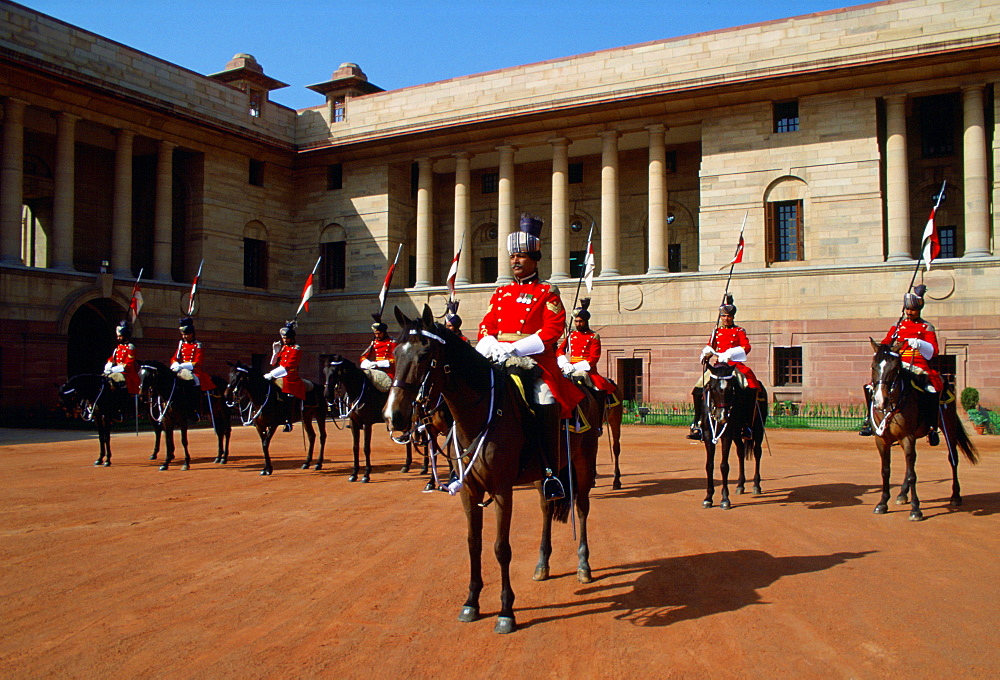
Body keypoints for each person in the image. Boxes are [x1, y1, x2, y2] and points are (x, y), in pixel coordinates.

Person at [476, 213, 584, 500]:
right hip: (498, 359)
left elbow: (553, 329)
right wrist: (490, 342)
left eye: (521, 257)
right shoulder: (501, 292)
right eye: (513, 257)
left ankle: (550, 474)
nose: (515, 262)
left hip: (535, 362)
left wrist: (517, 348)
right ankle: (462, 462)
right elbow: (487, 324)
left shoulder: (547, 291)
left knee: (546, 398)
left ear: (535, 259)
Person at [859, 284, 942, 443]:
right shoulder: (898, 326)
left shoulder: (926, 327)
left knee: (930, 390)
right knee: (871, 387)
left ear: (919, 310)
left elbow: (934, 351)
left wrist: (919, 343)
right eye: (907, 309)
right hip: (898, 365)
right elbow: (885, 342)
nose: (910, 312)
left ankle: (931, 426)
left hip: (918, 365)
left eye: (913, 310)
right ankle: (870, 421)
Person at [687, 295, 762, 441]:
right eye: (723, 316)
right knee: (697, 389)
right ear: (720, 317)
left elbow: (746, 346)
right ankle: (698, 423)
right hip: (718, 366)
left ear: (733, 317)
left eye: (729, 316)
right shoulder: (716, 331)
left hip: (733, 365)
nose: (726, 319)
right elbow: (711, 346)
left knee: (748, 387)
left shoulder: (739, 331)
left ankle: (746, 425)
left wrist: (731, 353)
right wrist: (706, 354)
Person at [557, 298, 617, 396]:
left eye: (580, 321)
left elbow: (594, 358)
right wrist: (565, 363)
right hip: (569, 368)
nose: (578, 324)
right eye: (576, 321)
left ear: (586, 321)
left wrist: (576, 367)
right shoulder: (571, 335)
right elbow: (560, 350)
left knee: (599, 389)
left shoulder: (593, 336)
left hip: (587, 370)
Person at [170, 317, 215, 420]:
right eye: (183, 334)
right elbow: (175, 357)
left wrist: (183, 365)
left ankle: (195, 410)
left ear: (192, 333)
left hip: (194, 370)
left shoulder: (198, 345)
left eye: (186, 334)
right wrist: (175, 363)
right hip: (180, 370)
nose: (184, 336)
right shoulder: (181, 344)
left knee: (194, 382)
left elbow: (198, 362)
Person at [264, 320, 305, 432]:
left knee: (287, 394)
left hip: (290, 376)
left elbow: (287, 367)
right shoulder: (284, 348)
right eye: (283, 338)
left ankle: (288, 420)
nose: (284, 340)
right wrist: (275, 352)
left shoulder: (296, 349)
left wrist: (271, 374)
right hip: (279, 375)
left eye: (286, 338)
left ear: (292, 338)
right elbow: (273, 363)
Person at [104, 319, 140, 419]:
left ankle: (122, 408)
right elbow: (112, 359)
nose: (118, 338)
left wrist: (113, 370)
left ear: (125, 336)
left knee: (118, 383)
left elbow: (128, 365)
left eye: (120, 336)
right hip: (117, 372)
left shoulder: (130, 347)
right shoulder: (118, 348)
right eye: (118, 336)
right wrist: (108, 366)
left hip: (127, 374)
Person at [360, 313, 397, 389]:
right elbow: (364, 356)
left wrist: (380, 363)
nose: (377, 336)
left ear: (384, 332)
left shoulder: (392, 342)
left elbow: (396, 359)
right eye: (375, 334)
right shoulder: (374, 343)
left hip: (389, 370)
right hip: (375, 369)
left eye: (379, 334)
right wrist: (366, 362)